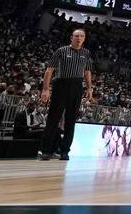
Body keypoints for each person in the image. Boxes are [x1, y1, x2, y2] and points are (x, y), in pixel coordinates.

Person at [39, 28, 93, 161]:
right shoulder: (61, 51)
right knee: (53, 118)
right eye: (76, 36)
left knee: (71, 121)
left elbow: (87, 72)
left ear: (84, 38)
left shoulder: (86, 53)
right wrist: (46, 89)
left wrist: (89, 88)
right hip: (61, 85)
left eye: (81, 36)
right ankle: (46, 151)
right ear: (71, 37)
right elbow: (49, 71)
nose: (79, 38)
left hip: (77, 86)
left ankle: (64, 152)